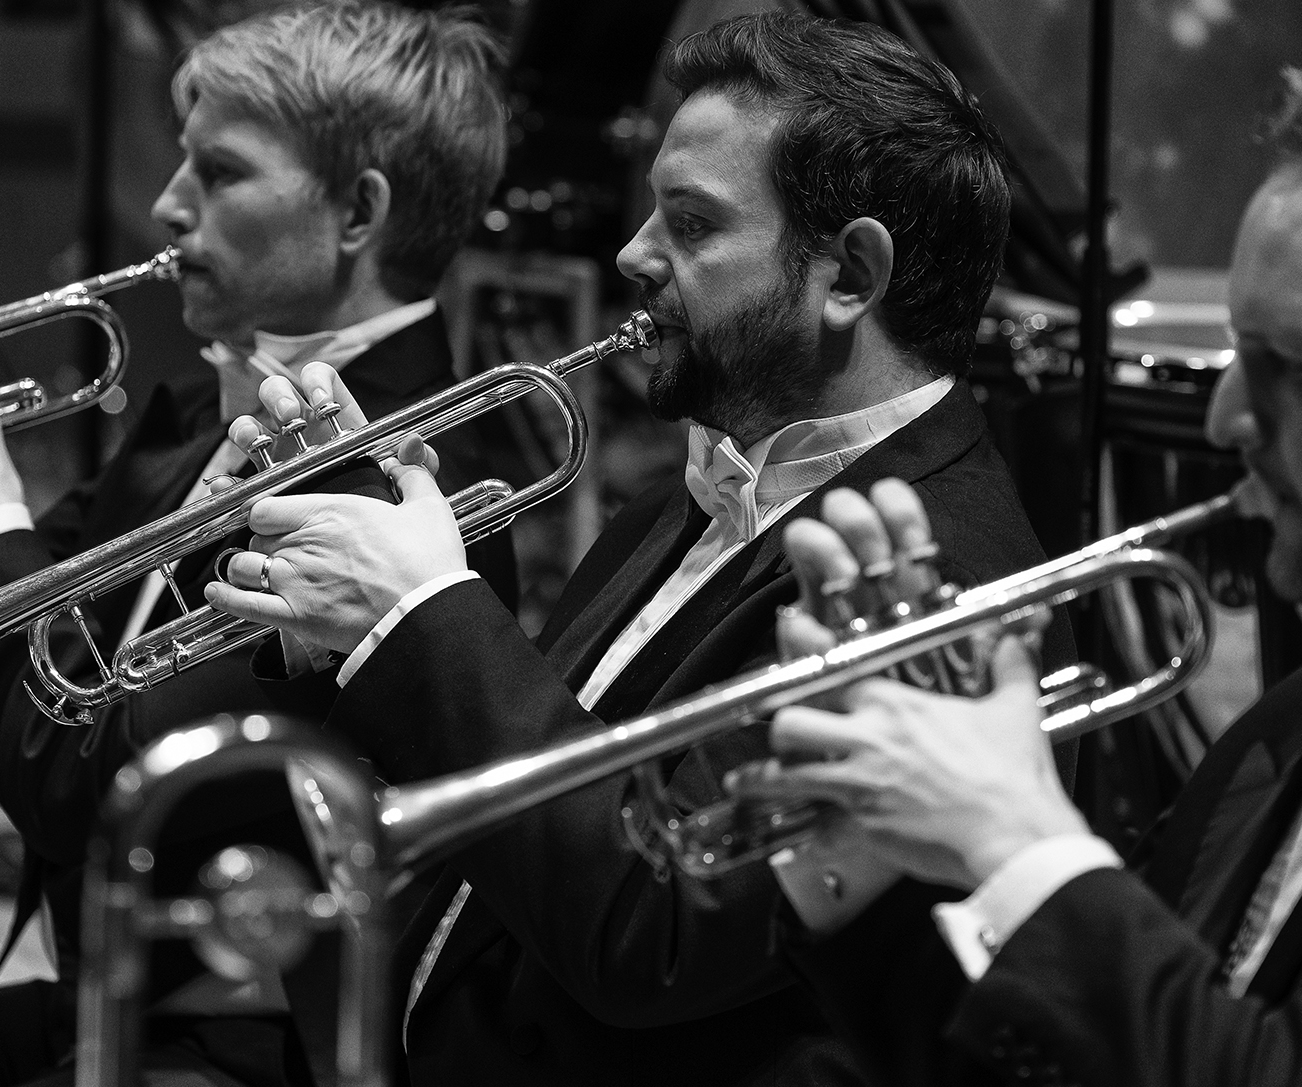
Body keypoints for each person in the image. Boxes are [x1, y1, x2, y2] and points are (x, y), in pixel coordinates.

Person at [205, 12, 1074, 1086]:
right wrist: (333, 618)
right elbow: (518, 823)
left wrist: (425, 611)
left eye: (693, 225)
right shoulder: (699, 488)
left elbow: (654, 926)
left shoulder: (929, 574)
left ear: (849, 273)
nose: (632, 254)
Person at [728, 52, 1302, 1087]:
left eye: (1287, 368)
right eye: (1233, 356)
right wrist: (870, 854)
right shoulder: (1291, 724)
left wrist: (1017, 831)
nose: (1226, 419)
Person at [0, 3, 514, 1085]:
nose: (165, 204)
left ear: (357, 213)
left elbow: (93, 792)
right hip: (116, 1000)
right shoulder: (195, 410)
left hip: (253, 1040)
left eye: (220, 173)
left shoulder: (408, 488)